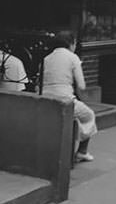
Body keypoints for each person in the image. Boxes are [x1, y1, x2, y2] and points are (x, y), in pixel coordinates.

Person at [42, 30, 98, 162]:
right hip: (65, 99)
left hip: (46, 99)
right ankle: (82, 151)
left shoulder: (47, 58)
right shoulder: (73, 58)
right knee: (89, 115)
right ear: (71, 43)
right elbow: (82, 85)